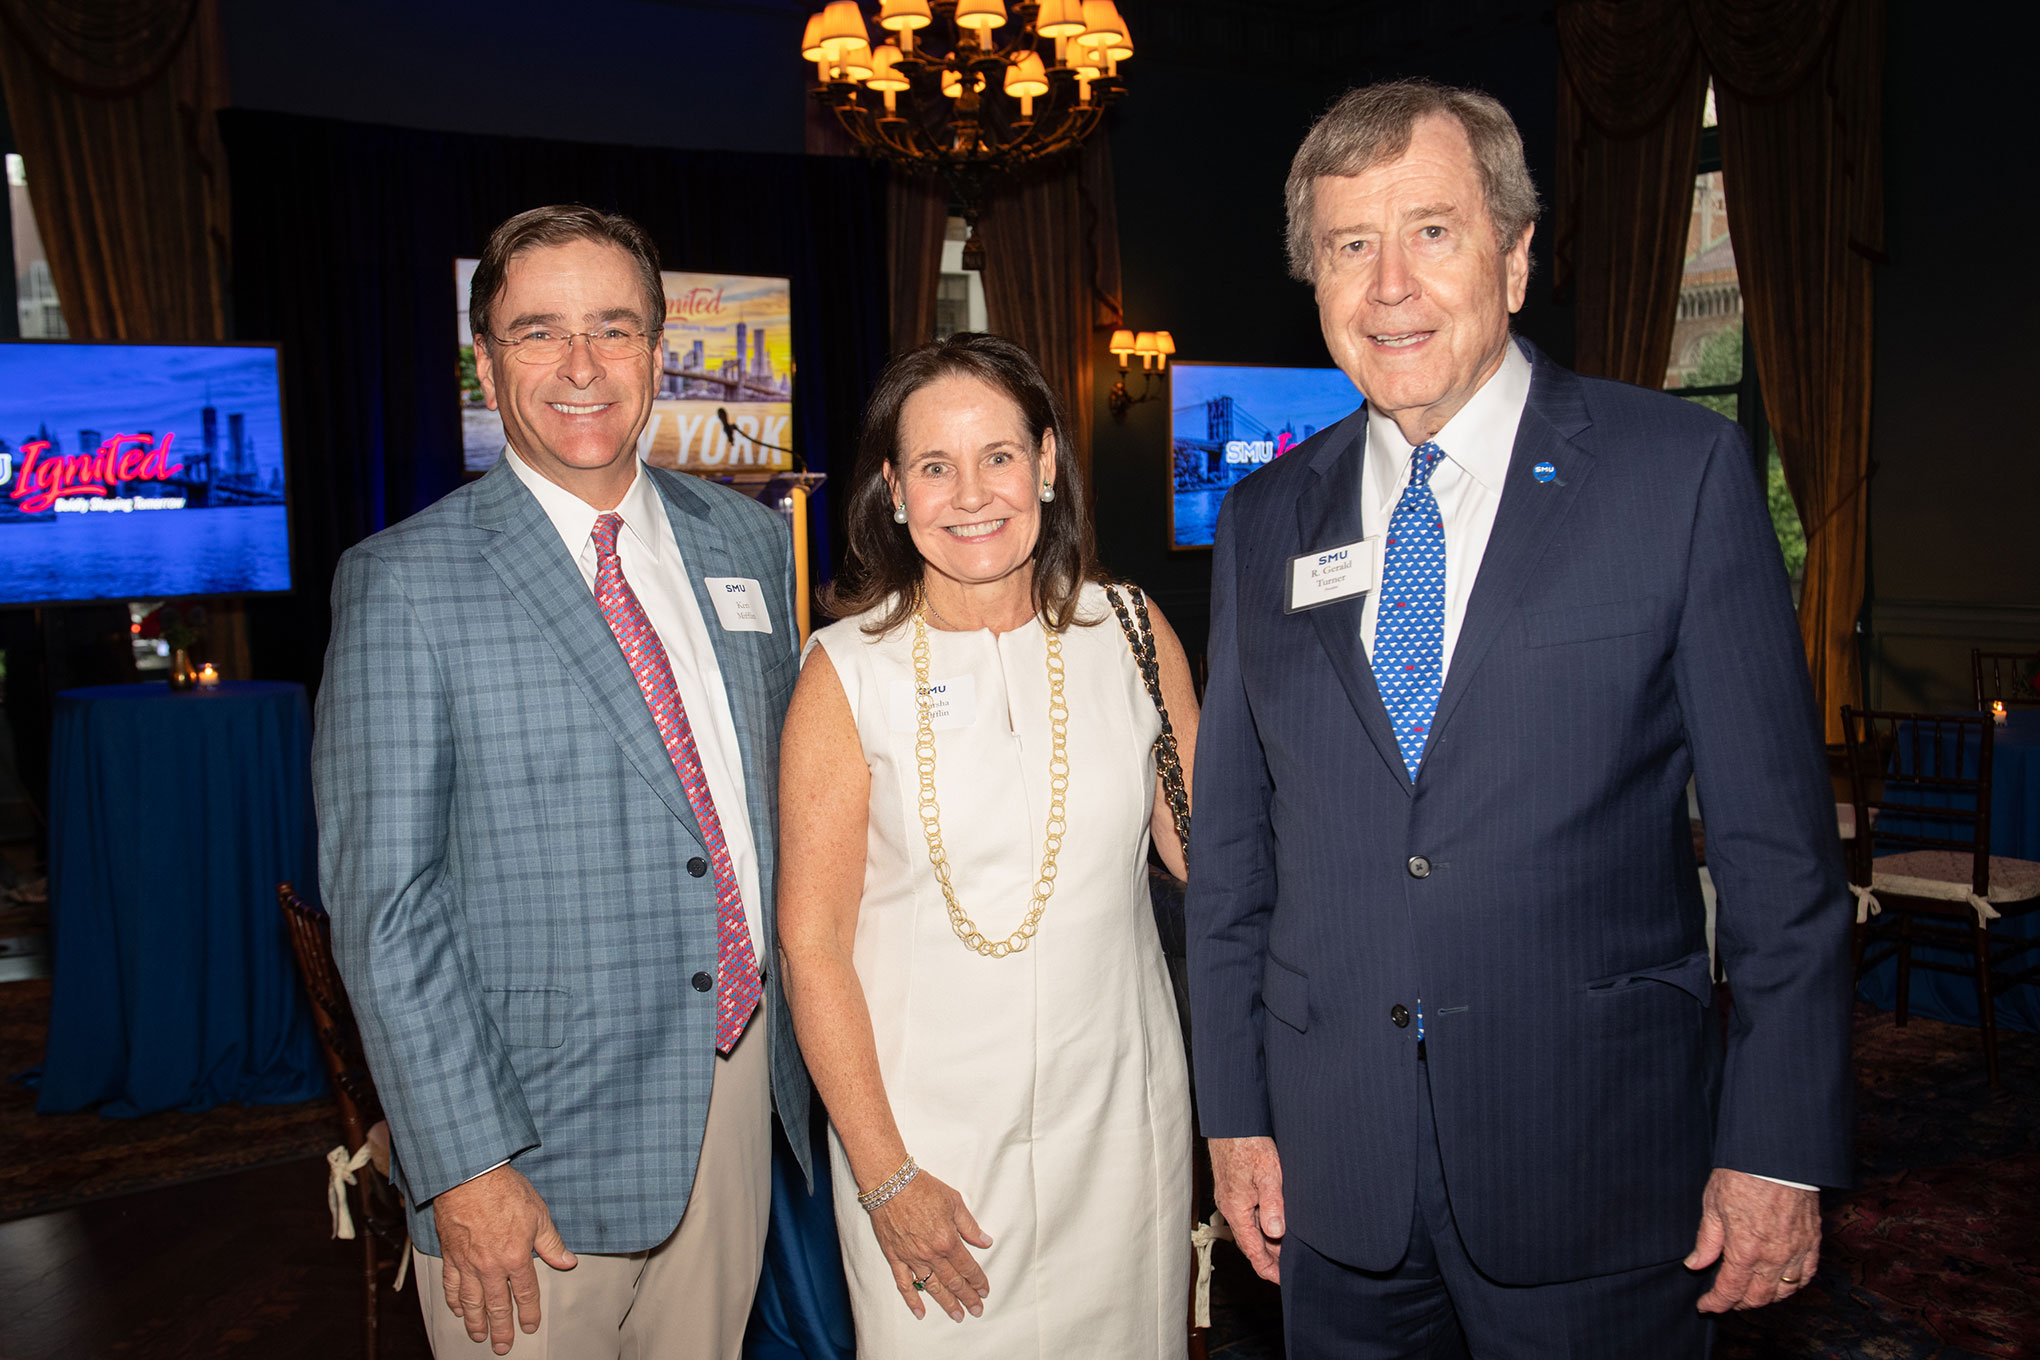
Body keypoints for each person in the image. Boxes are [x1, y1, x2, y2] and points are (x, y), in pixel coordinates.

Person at [1187, 80, 1854, 1357]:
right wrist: (1238, 1115)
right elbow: (1232, 864)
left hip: (1597, 1166)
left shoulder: (1678, 476)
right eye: (1349, 246)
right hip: (1338, 1175)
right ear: (1315, 281)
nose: (1390, 286)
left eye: (1431, 231)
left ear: (1519, 255)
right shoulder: (1268, 521)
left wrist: (1777, 1146)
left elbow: (1778, 860)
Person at [313, 204, 809, 1358]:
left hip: (732, 1092)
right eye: (539, 332)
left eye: (614, 328)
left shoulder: (745, 546)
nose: (582, 367)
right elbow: (386, 911)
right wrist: (467, 1163)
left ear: (656, 351)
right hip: (524, 1136)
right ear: (486, 362)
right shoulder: (405, 584)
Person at [776, 332, 1197, 1357]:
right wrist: (884, 1176)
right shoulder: (843, 672)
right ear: (894, 488)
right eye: (934, 465)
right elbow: (813, 944)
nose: (972, 492)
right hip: (929, 1150)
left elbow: (1219, 865)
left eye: (999, 455)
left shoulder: (1132, 632)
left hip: (1122, 1135)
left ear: (1048, 464)